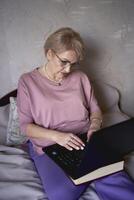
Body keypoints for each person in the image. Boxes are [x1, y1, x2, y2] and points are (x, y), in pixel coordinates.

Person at [17, 27, 102, 200]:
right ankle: (91, 174)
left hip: (85, 140)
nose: (68, 70)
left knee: (123, 185)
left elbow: (95, 110)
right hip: (50, 146)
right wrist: (58, 137)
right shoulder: (27, 81)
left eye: (74, 63)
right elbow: (25, 126)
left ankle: (90, 173)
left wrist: (95, 125)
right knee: (60, 195)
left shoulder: (81, 78)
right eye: (64, 62)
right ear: (49, 54)